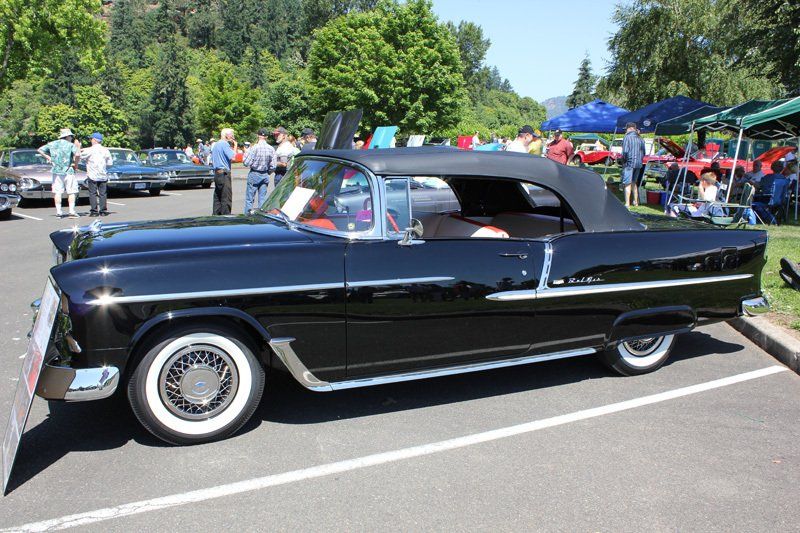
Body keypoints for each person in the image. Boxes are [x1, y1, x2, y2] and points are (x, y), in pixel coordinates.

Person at [38, 128, 80, 218]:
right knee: (71, 191)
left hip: (56, 171)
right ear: (67, 136)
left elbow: (40, 150)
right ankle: (71, 212)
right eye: (71, 136)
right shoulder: (71, 145)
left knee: (57, 192)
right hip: (69, 170)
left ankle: (59, 212)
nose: (72, 138)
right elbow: (77, 154)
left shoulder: (52, 144)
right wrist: (76, 165)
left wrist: (48, 157)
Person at [79, 132, 113, 217]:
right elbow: (110, 163)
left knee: (93, 193)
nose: (90, 141)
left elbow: (79, 156)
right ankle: (103, 211)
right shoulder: (106, 150)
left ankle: (94, 211)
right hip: (103, 175)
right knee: (103, 193)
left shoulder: (89, 150)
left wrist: (79, 148)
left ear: (94, 140)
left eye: (91, 139)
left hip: (92, 174)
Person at [243, 128, 276, 213]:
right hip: (265, 174)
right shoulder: (271, 148)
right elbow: (273, 166)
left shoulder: (254, 148)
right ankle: (261, 218)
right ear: (267, 137)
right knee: (262, 199)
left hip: (254, 173)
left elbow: (246, 163)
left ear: (258, 135)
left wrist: (246, 152)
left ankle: (248, 216)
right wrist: (268, 171)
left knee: (250, 199)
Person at [210, 128, 237, 215]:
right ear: (226, 135)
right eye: (232, 134)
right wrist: (235, 146)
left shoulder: (216, 144)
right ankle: (226, 218)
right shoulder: (224, 144)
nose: (233, 136)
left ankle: (216, 216)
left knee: (217, 197)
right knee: (226, 198)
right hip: (224, 173)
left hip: (217, 173)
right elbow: (233, 157)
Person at [620, 122, 644, 207]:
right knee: (634, 182)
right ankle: (635, 202)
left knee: (627, 183)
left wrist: (623, 160)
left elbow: (625, 151)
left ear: (629, 128)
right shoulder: (640, 138)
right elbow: (644, 152)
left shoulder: (627, 137)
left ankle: (627, 203)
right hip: (639, 163)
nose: (625, 131)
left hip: (629, 163)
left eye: (626, 129)